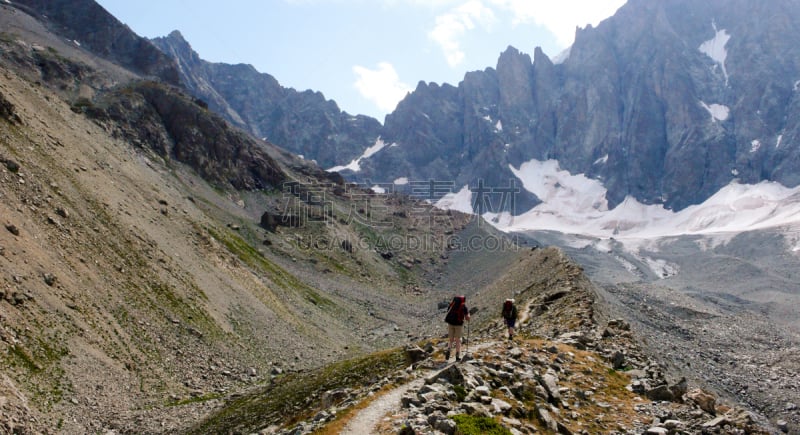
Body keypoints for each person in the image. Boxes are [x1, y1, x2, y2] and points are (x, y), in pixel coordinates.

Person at [444, 295, 470, 362]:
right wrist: (468, 317)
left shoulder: (452, 304)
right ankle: (457, 356)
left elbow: (448, 311)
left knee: (451, 339)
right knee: (458, 340)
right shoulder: (463, 306)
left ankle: (448, 350)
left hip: (450, 323)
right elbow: (467, 317)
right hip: (458, 325)